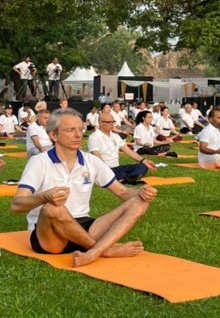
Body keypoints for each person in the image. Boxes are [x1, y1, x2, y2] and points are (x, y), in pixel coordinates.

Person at [11, 108, 157, 267]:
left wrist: (141, 193)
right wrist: (43, 197)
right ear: (54, 135)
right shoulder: (39, 162)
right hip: (51, 237)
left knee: (140, 201)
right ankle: (104, 250)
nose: (78, 134)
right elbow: (16, 205)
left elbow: (123, 192)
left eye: (80, 129)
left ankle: (94, 251)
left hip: (85, 227)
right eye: (70, 130)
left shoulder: (91, 161)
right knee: (53, 208)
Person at [88, 111, 157, 184]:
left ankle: (123, 179)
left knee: (142, 167)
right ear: (100, 123)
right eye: (108, 122)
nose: (111, 124)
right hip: (104, 169)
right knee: (112, 173)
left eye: (113, 122)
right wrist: (107, 171)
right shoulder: (94, 137)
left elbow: (128, 151)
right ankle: (126, 178)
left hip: (117, 168)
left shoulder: (115, 136)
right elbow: (98, 158)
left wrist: (144, 160)